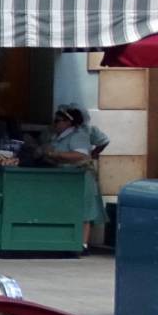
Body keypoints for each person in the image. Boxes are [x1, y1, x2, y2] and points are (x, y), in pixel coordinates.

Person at [46, 104, 111, 249]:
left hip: (80, 177)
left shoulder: (78, 135)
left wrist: (56, 155)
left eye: (58, 121)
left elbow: (81, 154)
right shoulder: (58, 137)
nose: (55, 124)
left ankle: (83, 243)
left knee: (83, 210)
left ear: (68, 122)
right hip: (65, 177)